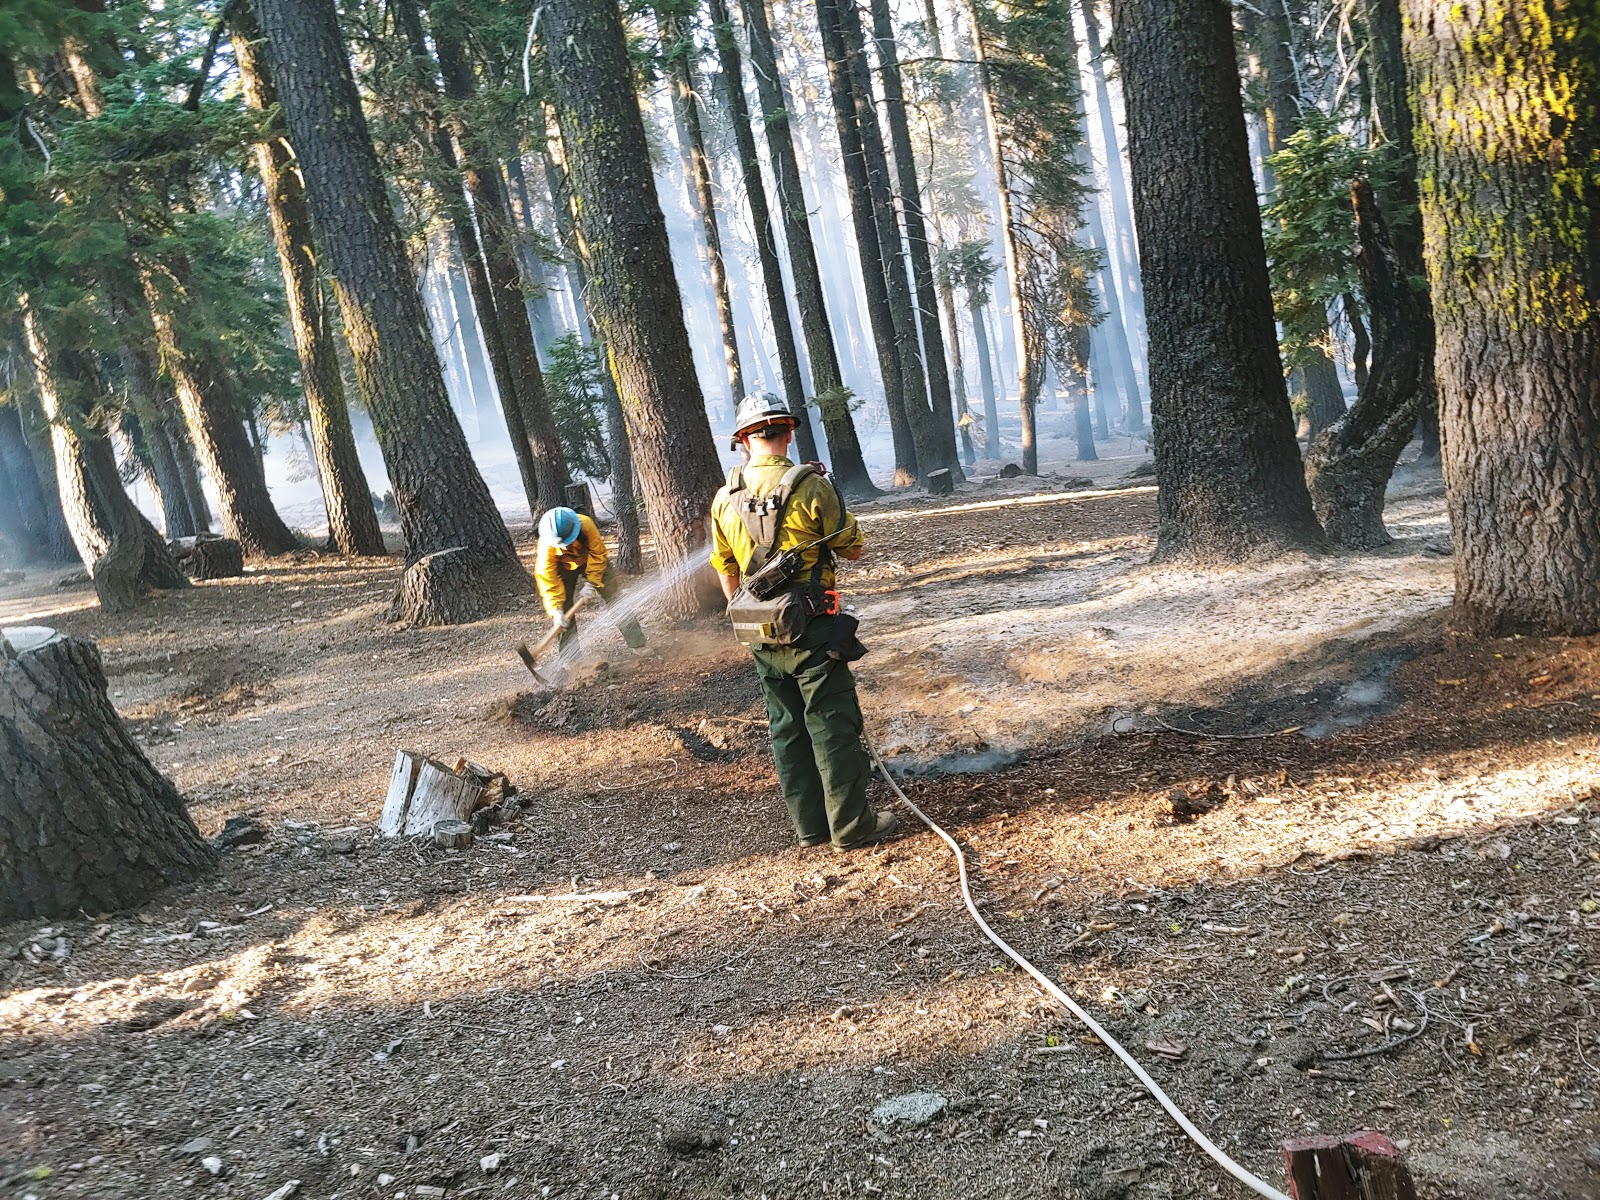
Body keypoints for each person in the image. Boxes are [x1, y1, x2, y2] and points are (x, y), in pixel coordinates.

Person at [708, 393, 897, 851]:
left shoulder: (724, 497)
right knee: (830, 722)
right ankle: (852, 828)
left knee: (786, 727)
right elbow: (853, 547)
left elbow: (725, 567)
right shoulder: (812, 487)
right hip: (812, 628)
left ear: (743, 441)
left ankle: (810, 827)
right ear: (789, 432)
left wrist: (749, 616)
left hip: (759, 631)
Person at [534, 507, 646, 650]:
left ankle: (638, 643)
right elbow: (547, 579)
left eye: (568, 542)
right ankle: (572, 662)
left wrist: (592, 582)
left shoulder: (585, 525)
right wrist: (555, 610)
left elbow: (598, 553)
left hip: (590, 559)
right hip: (563, 567)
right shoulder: (546, 546)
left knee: (614, 598)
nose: (564, 547)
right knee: (563, 611)